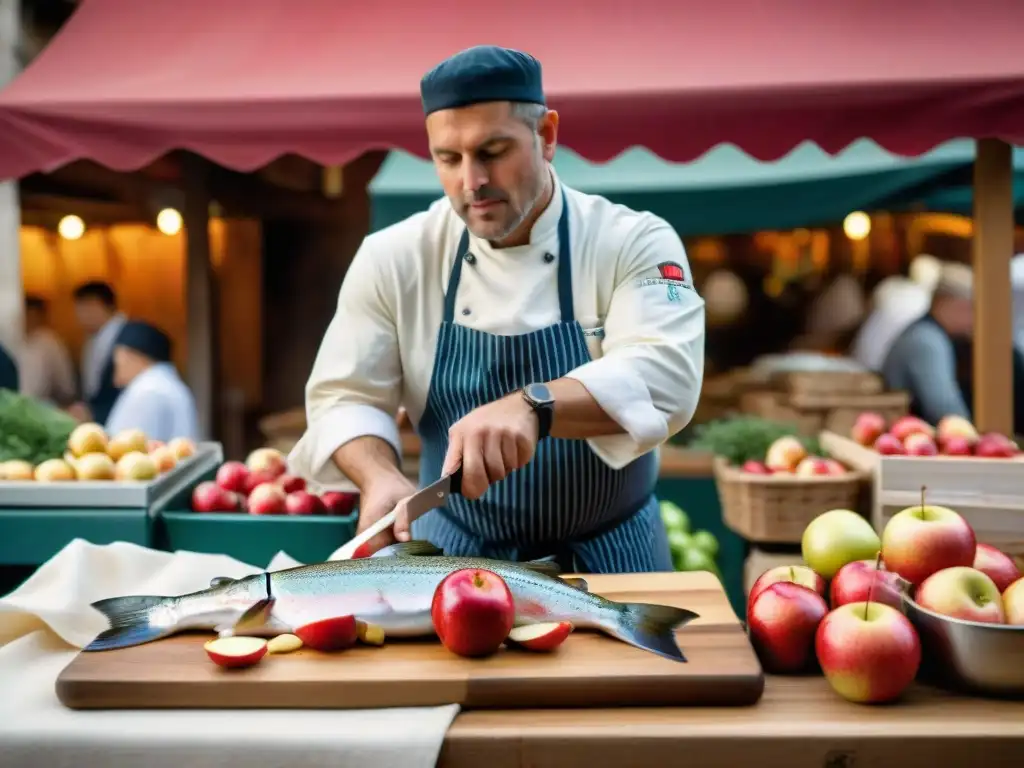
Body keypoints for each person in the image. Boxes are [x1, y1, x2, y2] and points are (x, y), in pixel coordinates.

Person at [288, 45, 706, 573]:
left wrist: (535, 405)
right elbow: (344, 395)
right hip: (453, 560)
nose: (472, 181)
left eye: (493, 151)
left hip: (612, 557)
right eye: (448, 158)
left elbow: (667, 374)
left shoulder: (632, 241)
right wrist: (380, 477)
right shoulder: (394, 256)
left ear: (547, 136)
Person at [880, 262, 975, 424]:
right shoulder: (927, 341)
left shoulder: (925, 334)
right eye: (971, 309)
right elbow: (949, 414)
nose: (974, 319)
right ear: (950, 304)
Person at [105, 321, 200, 442]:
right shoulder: (165, 384)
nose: (115, 375)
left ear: (133, 357)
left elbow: (125, 448)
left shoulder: (147, 390)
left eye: (117, 363)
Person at [70, 281, 126, 424]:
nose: (78, 317)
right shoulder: (93, 338)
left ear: (95, 305)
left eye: (81, 309)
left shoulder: (125, 335)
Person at [19, 295, 77, 405]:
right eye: (28, 314)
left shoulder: (50, 341)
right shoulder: (12, 339)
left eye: (34, 315)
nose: (31, 319)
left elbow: (64, 382)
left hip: (42, 405)